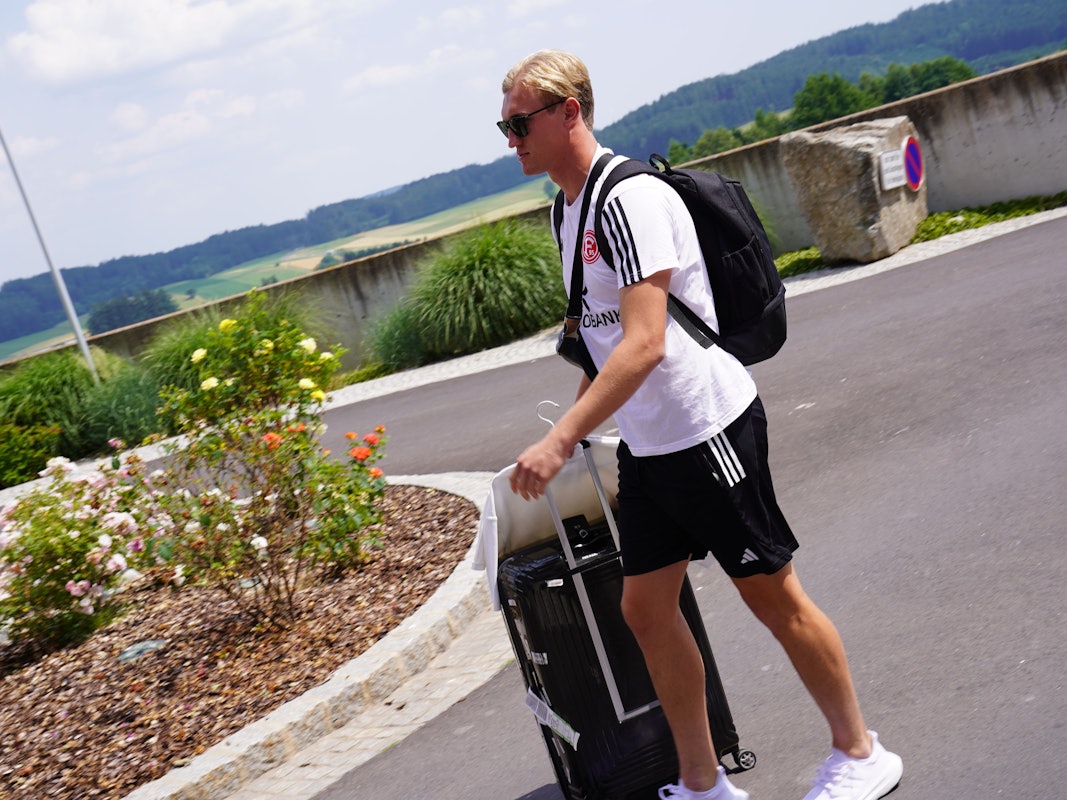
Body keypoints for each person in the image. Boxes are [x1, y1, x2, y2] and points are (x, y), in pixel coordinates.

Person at [498, 49, 904, 800]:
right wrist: (584, 425)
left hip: (707, 428)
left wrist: (560, 439)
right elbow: (603, 333)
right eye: (504, 126)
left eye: (520, 121)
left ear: (568, 112)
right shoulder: (567, 207)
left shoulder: (629, 199)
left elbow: (647, 341)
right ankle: (701, 781)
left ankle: (859, 753)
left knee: (770, 595)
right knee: (645, 608)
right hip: (652, 444)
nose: (511, 137)